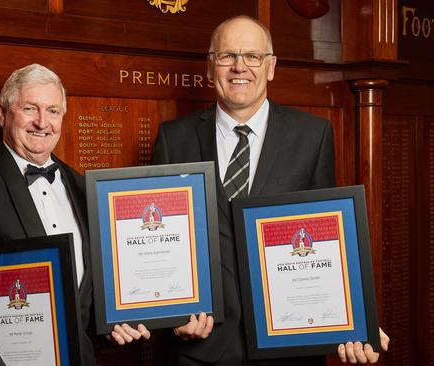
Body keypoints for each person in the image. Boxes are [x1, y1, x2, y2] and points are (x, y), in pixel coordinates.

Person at [151, 15, 390, 365]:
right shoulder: (174, 139)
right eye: (226, 56)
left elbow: (325, 239)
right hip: (200, 348)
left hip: (288, 347)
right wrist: (174, 318)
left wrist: (354, 321)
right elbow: (163, 247)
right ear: (209, 66)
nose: (239, 67)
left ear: (271, 66)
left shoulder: (313, 136)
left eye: (252, 56)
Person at [0, 64, 148, 366]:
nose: (43, 122)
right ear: (2, 113)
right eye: (30, 109)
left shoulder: (82, 186)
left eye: (53, 111)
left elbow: (88, 292)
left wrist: (117, 321)